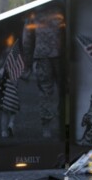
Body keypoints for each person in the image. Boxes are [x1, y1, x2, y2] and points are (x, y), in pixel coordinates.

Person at [22, 8, 65, 138]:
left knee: (45, 92)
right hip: (61, 56)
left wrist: (28, 64)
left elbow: (26, 41)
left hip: (42, 56)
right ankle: (64, 124)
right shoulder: (63, 12)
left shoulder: (34, 14)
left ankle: (46, 128)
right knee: (64, 91)